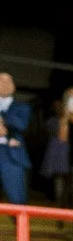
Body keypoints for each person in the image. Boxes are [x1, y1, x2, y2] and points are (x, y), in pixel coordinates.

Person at [0, 71, 32, 204]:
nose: (5, 84)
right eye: (1, 81)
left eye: (8, 81)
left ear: (14, 86)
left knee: (17, 201)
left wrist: (2, 120)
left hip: (11, 156)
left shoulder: (22, 107)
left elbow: (21, 125)